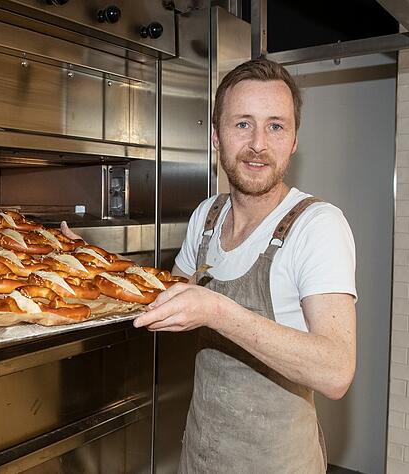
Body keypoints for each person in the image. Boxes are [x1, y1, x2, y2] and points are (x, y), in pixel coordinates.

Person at [63, 58, 356, 473]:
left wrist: (217, 311)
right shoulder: (209, 216)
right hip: (202, 454)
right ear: (217, 138)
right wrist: (88, 263)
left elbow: (336, 371)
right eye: (243, 124)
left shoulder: (317, 225)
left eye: (276, 126)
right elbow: (163, 292)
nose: (258, 143)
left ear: (293, 141)